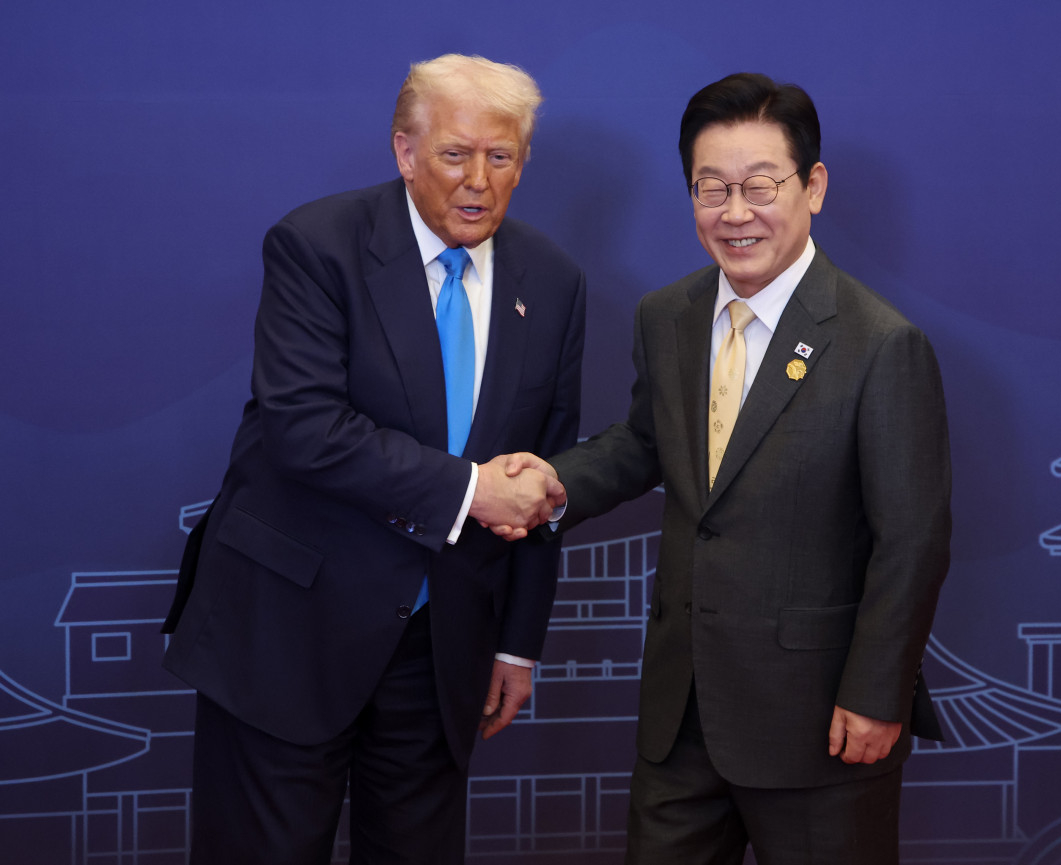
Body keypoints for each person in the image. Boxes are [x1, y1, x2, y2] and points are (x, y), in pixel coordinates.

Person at [500, 73, 951, 864]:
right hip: (681, 718)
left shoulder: (881, 345)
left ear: (812, 186)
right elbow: (648, 443)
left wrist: (877, 693)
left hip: (821, 727)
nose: (734, 213)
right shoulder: (667, 315)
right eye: (711, 189)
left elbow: (911, 540)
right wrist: (554, 485)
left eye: (758, 186)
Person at [161, 54, 586, 865]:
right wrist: (468, 489)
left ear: (523, 162)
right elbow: (305, 427)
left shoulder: (555, 281)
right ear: (403, 151)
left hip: (440, 648)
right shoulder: (317, 245)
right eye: (454, 155)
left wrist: (517, 642)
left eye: (500, 158)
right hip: (288, 631)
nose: (478, 181)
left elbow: (542, 473)